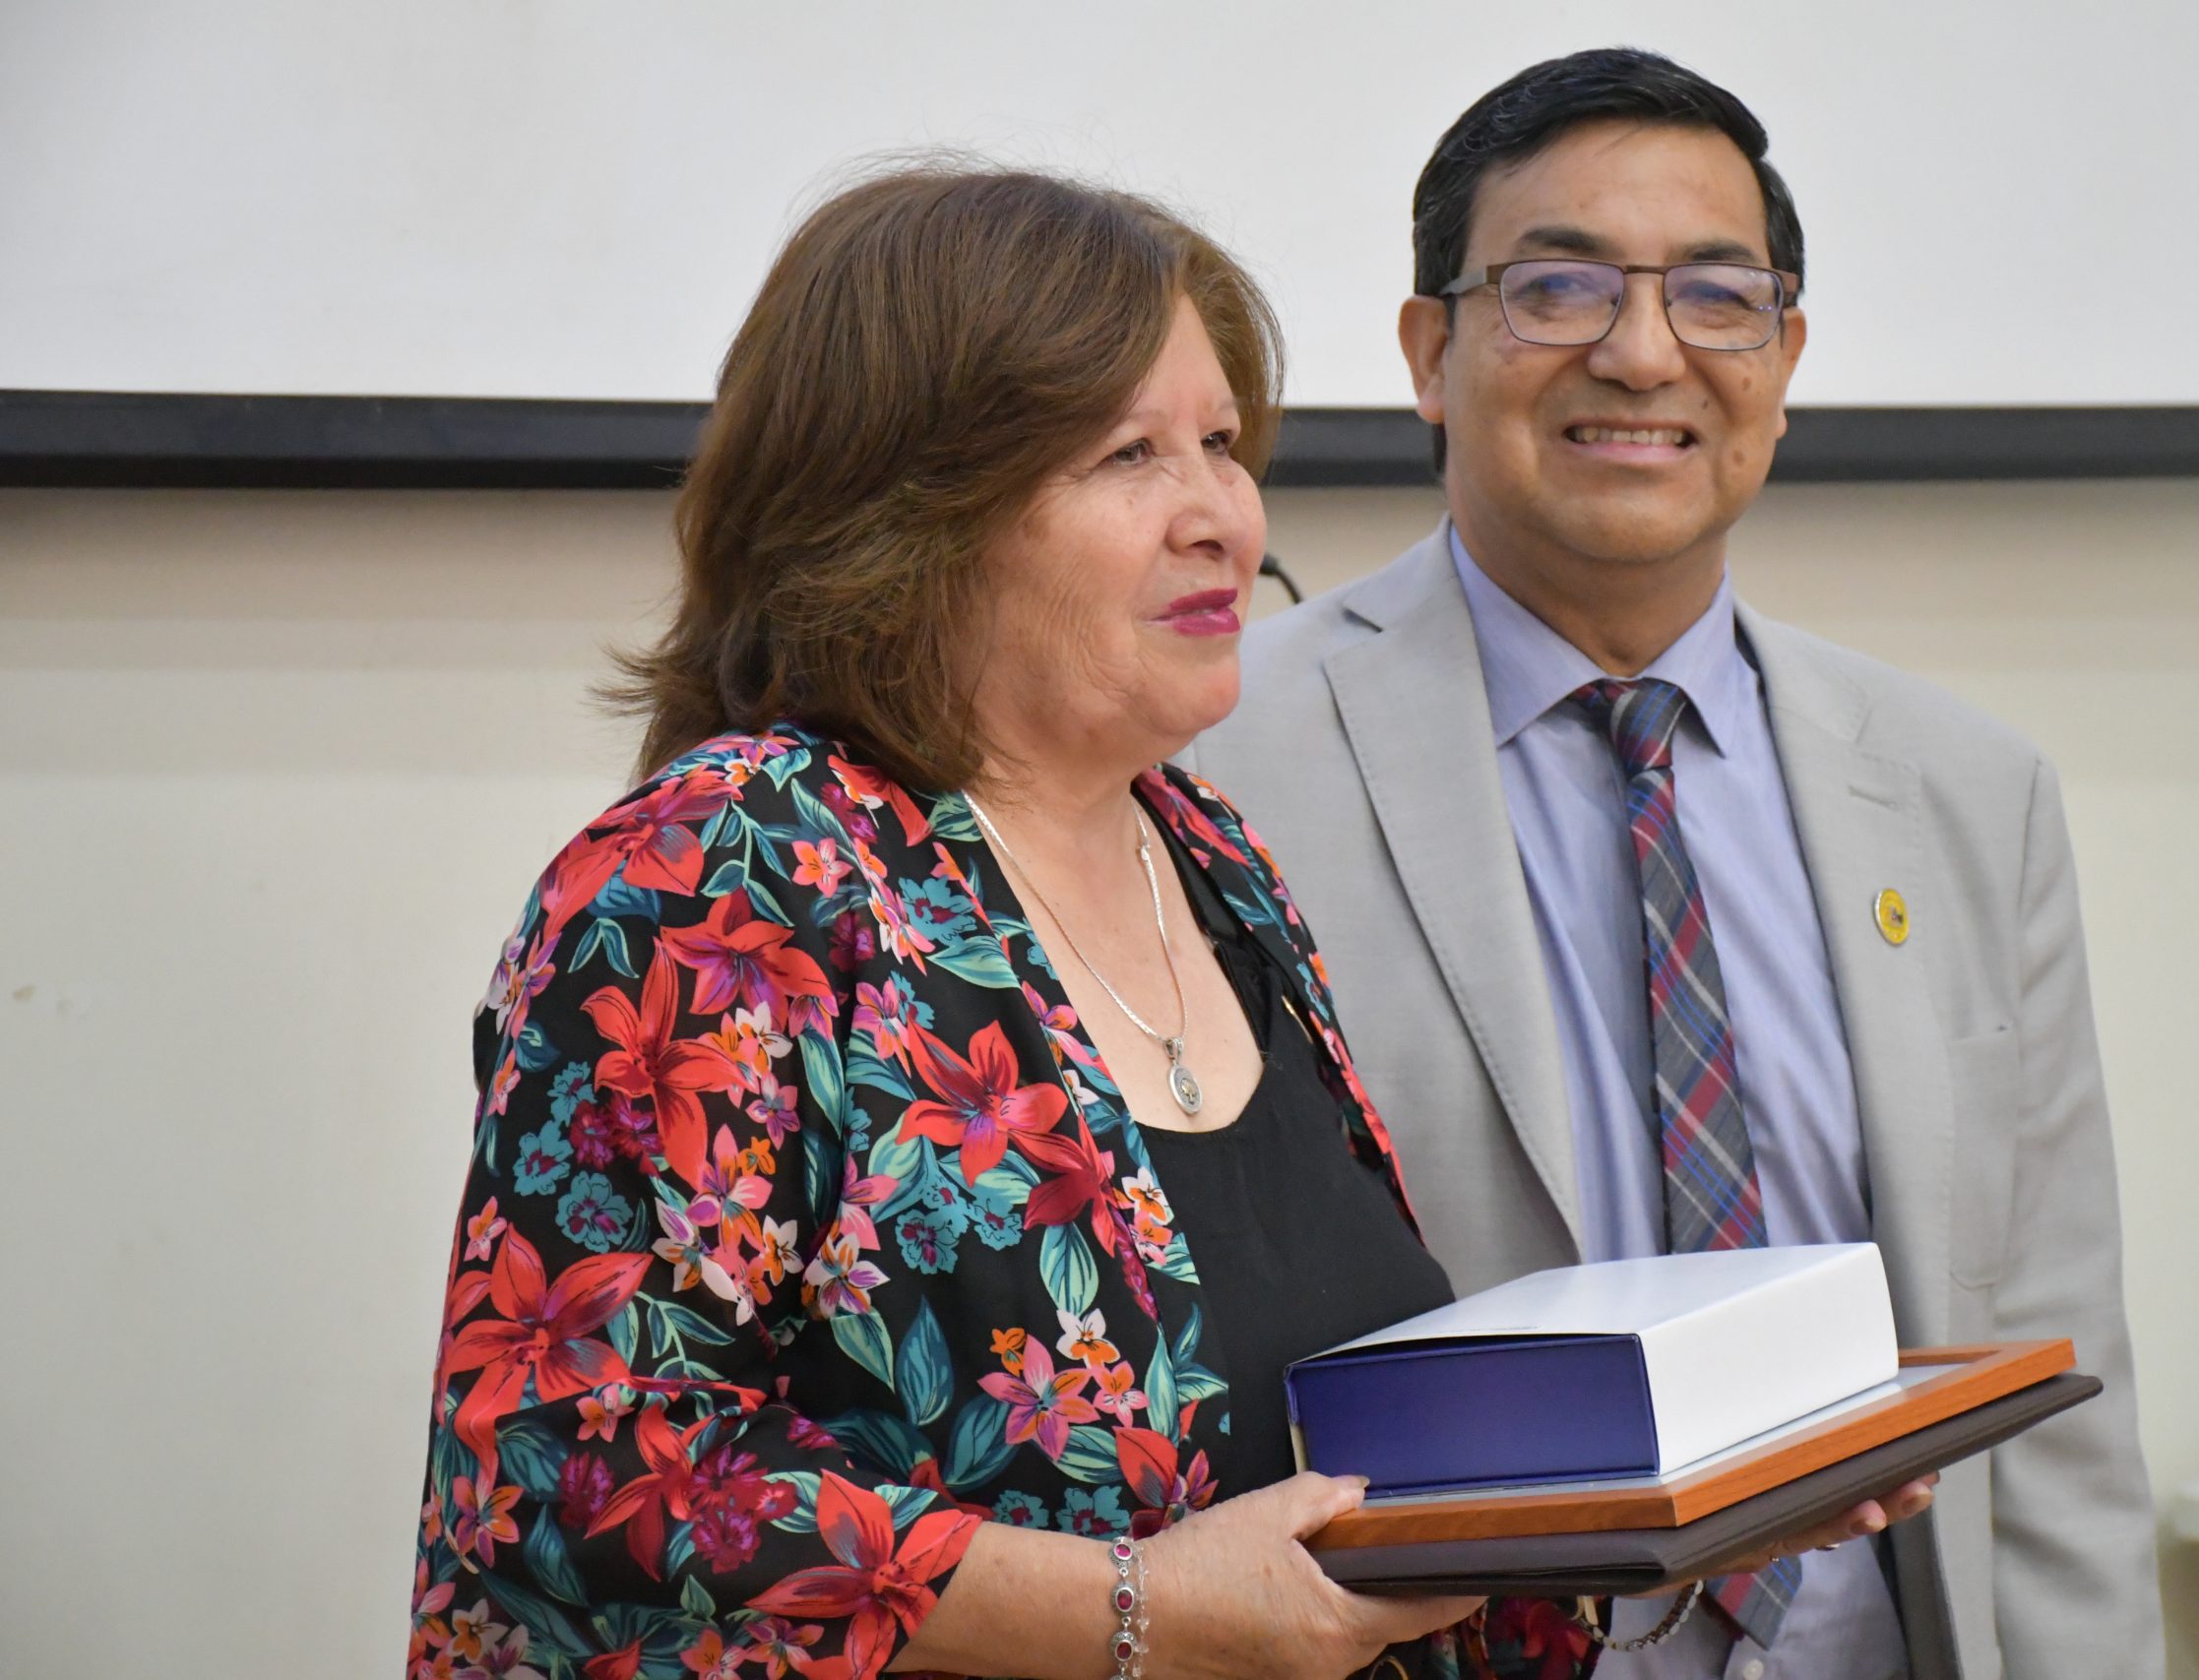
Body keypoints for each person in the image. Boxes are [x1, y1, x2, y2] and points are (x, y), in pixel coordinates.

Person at [409, 163, 1926, 1680]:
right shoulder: (724, 875)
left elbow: (1306, 1495)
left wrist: (1673, 1501)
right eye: (1130, 456)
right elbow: (567, 1478)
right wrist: (1134, 1613)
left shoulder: (1206, 852)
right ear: (909, 511)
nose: (1221, 519)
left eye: (1221, 445)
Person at [1187, 49, 2163, 1680]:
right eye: (1557, 286)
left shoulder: (1966, 794)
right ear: (1429, 353)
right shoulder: (1215, 767)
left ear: (1783, 360)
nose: (1643, 353)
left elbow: (2057, 1397)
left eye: (1718, 295)